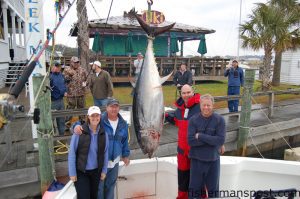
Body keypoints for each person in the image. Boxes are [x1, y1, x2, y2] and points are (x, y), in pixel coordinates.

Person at [73, 98, 130, 199]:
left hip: (115, 163)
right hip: (100, 163)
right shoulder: (100, 119)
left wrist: (125, 155)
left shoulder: (123, 124)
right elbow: (84, 123)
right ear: (106, 108)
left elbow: (124, 141)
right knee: (98, 189)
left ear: (119, 108)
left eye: (116, 106)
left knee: (110, 187)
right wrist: (75, 126)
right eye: (111, 106)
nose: (114, 109)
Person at [165, 84, 201, 199]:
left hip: (196, 152)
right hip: (182, 152)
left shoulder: (200, 106)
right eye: (184, 93)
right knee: (183, 180)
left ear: (193, 92)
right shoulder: (179, 110)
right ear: (181, 94)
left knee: (198, 180)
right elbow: (175, 120)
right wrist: (162, 114)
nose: (186, 95)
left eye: (188, 92)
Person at [187, 94, 226, 199]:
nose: (206, 107)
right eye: (204, 105)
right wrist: (212, 140)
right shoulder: (193, 120)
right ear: (200, 105)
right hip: (196, 161)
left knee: (213, 192)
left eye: (208, 105)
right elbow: (190, 141)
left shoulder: (220, 120)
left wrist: (200, 136)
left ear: (213, 105)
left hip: (213, 161)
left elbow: (221, 140)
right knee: (194, 191)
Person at [68, 106, 109, 199]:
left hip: (96, 172)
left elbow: (105, 153)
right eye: (92, 116)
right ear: (88, 117)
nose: (95, 118)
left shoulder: (104, 134)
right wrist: (72, 172)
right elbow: (72, 153)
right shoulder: (79, 132)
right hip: (82, 172)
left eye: (97, 115)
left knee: (94, 196)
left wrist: (104, 171)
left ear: (100, 116)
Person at [50, 61, 67, 136]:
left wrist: (66, 91)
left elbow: (64, 85)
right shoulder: (49, 76)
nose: (58, 68)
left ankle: (62, 136)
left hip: (61, 101)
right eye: (56, 66)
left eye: (59, 66)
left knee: (61, 120)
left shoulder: (61, 75)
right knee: (51, 120)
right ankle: (52, 137)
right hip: (53, 102)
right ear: (52, 67)